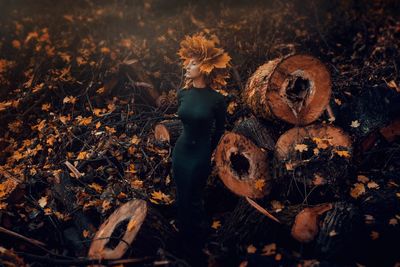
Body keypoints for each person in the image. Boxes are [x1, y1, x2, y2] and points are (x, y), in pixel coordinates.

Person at [171, 32, 231, 264]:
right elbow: (184, 119)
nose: (187, 66)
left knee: (193, 198)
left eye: (193, 63)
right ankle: (183, 242)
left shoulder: (216, 99)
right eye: (188, 62)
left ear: (205, 68)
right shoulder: (183, 94)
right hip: (181, 151)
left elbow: (219, 130)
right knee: (181, 196)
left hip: (200, 154)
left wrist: (207, 149)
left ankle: (197, 243)